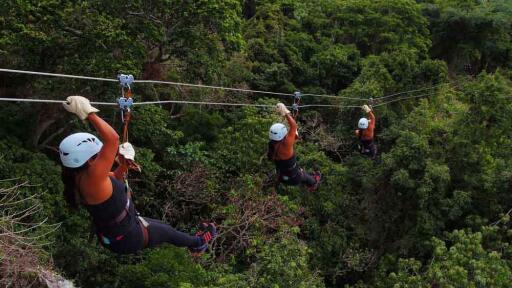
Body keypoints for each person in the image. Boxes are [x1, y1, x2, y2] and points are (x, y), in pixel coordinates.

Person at [59, 95, 216, 255]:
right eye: (98, 155)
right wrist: (88, 113)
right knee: (168, 233)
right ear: (89, 161)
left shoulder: (81, 177)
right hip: (127, 237)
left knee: (164, 228)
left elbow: (114, 181)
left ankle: (194, 243)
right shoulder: (92, 179)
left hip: (120, 231)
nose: (103, 157)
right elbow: (112, 139)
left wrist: (124, 165)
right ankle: (199, 243)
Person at [267, 103, 321, 191]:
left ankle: (305, 177)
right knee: (306, 177)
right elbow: (293, 126)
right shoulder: (286, 143)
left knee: (300, 170)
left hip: (282, 176)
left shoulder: (271, 145)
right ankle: (314, 184)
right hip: (293, 177)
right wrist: (285, 113)